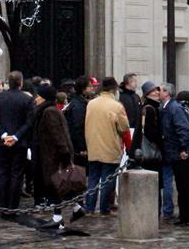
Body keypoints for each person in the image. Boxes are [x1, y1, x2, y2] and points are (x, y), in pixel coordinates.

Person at [32, 84, 86, 226]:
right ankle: (76, 208)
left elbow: (58, 135)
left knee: (55, 185)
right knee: (61, 185)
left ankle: (58, 218)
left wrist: (64, 154)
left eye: (38, 96)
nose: (35, 99)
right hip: (54, 155)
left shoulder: (49, 112)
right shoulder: (49, 110)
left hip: (54, 156)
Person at [159, 82, 189, 226]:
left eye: (161, 90)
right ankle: (185, 215)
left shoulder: (175, 108)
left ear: (167, 92)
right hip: (175, 152)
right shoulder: (168, 108)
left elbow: (183, 129)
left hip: (182, 153)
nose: (159, 93)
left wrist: (183, 149)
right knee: (182, 186)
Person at [83, 77, 129, 216]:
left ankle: (90, 207)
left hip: (93, 145)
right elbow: (123, 127)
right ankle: (104, 208)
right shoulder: (116, 106)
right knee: (107, 179)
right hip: (109, 146)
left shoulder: (91, 103)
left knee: (93, 178)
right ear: (114, 89)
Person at [0, 71, 34, 216]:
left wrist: (4, 136)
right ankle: (13, 206)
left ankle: (3, 205)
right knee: (17, 174)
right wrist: (15, 137)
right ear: (20, 83)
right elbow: (29, 122)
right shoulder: (27, 100)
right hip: (19, 142)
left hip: (2, 142)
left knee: (3, 173)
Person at [134, 81, 173, 219]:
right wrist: (161, 141)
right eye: (153, 91)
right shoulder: (150, 108)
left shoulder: (150, 107)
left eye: (157, 90)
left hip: (149, 151)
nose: (156, 93)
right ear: (147, 94)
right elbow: (150, 132)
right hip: (151, 152)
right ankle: (154, 212)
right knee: (154, 184)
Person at [65, 76, 90, 168]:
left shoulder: (78, 102)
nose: (92, 88)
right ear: (83, 88)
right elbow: (78, 126)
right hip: (78, 147)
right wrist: (82, 148)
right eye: (89, 86)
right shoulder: (78, 105)